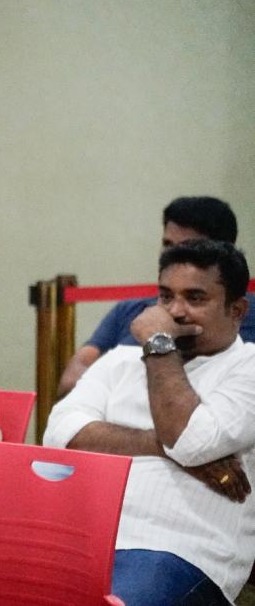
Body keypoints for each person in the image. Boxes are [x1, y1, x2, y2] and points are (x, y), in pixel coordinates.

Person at [45, 239, 255, 605]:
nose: (174, 312)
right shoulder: (119, 361)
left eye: (195, 298)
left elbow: (190, 441)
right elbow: (60, 434)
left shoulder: (247, 367)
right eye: (166, 297)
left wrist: (159, 344)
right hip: (84, 539)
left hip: (182, 553)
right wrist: (161, 447)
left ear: (236, 310)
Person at [58, 196, 255, 396]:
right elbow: (70, 382)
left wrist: (157, 344)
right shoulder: (128, 310)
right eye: (168, 244)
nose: (172, 255)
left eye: (187, 246)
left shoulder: (240, 318)